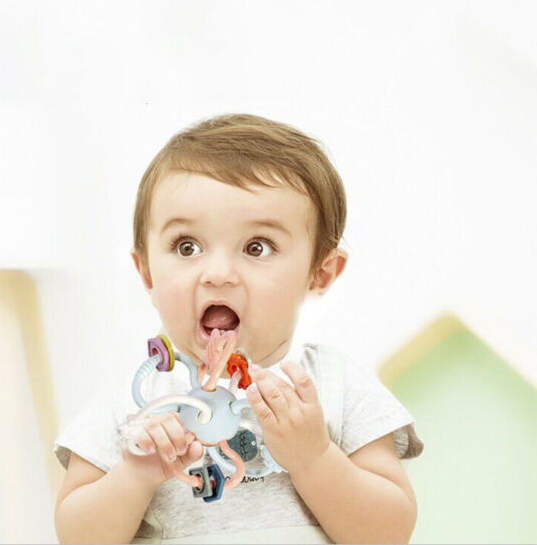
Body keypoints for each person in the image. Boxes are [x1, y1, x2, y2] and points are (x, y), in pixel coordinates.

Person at [53, 113, 424, 544]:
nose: (218, 273)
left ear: (320, 273)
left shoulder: (335, 385)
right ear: (148, 273)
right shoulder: (135, 403)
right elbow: (76, 537)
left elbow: (389, 532)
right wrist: (134, 475)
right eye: (186, 246)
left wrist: (314, 457)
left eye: (256, 247)